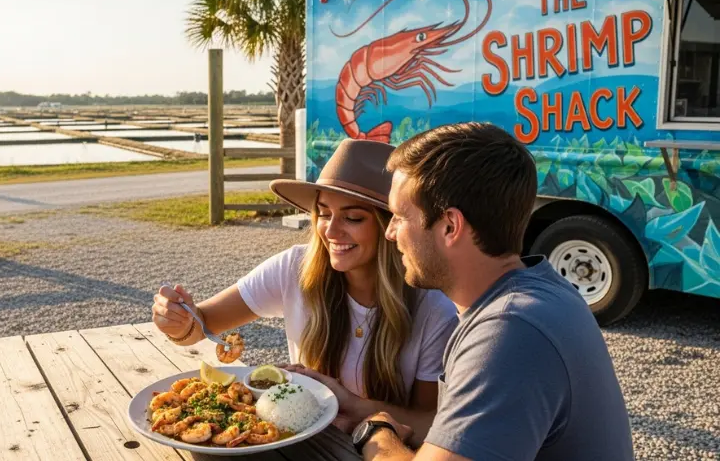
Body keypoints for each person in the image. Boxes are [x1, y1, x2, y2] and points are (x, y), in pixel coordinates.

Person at [296, 122, 634, 460]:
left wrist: (375, 435)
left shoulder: (510, 331)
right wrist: (359, 407)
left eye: (400, 216)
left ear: (450, 226)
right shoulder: (537, 294)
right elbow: (455, 434)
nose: (390, 233)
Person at [151, 138, 459, 450]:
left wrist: (351, 405)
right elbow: (202, 323)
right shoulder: (293, 267)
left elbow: (429, 422)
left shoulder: (432, 306)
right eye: (324, 214)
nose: (331, 231)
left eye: (353, 217)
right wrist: (177, 321)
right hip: (296, 446)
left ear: (389, 226)